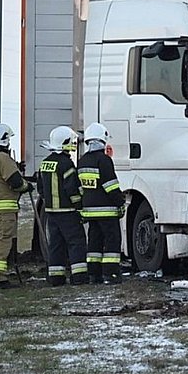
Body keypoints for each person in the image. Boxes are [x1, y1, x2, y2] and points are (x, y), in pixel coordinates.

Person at [0, 123, 33, 289]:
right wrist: (27, 186)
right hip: (5, 209)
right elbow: (16, 182)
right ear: (4, 140)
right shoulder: (3, 158)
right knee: (3, 241)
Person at [37, 126, 88, 286]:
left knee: (56, 244)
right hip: (68, 212)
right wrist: (80, 205)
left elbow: (40, 188)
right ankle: (79, 277)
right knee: (76, 242)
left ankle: (56, 277)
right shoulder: (66, 164)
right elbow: (72, 189)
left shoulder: (44, 163)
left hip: (51, 212)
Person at [78, 122, 125, 284]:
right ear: (102, 140)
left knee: (94, 243)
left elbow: (82, 187)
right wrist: (120, 201)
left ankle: (94, 275)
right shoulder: (104, 160)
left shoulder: (82, 160)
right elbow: (110, 185)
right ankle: (111, 274)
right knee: (112, 242)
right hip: (107, 211)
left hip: (90, 211)